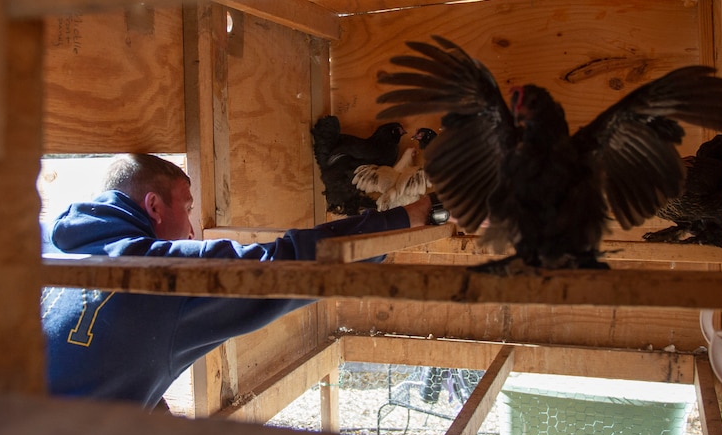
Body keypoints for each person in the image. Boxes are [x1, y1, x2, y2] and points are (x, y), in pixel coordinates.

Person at [41, 153, 431, 409]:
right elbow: (285, 263)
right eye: (188, 208)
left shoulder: (45, 243)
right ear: (154, 207)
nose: (193, 231)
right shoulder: (160, 275)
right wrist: (403, 220)